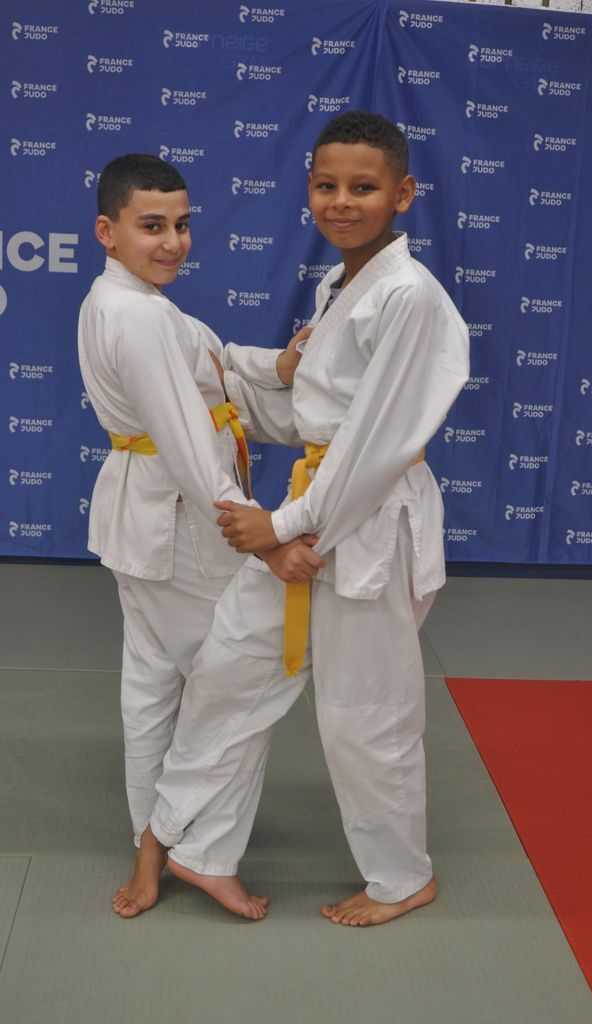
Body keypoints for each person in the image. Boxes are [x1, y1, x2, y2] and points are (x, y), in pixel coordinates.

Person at [116, 112, 470, 925]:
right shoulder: (341, 287)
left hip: (370, 520)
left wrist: (282, 527)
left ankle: (401, 877)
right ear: (308, 188)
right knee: (227, 670)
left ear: (403, 194)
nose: (341, 201)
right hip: (321, 505)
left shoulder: (410, 298)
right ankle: (181, 841)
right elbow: (316, 416)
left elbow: (374, 446)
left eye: (364, 187)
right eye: (326, 185)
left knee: (363, 714)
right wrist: (220, 399)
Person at [78, 154, 321, 915]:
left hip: (145, 520)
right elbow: (188, 443)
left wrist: (279, 364)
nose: (173, 242)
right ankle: (197, 852)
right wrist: (264, 538)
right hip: (186, 523)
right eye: (152, 226)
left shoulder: (126, 301)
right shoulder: (139, 314)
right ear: (108, 231)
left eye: (182, 225)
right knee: (237, 684)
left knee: (155, 686)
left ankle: (150, 845)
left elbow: (213, 361)